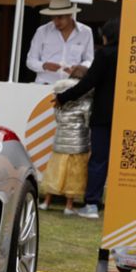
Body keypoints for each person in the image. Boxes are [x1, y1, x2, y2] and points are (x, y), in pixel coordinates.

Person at [52, 17, 120, 220]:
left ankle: (91, 203)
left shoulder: (105, 54)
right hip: (126, 114)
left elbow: (89, 82)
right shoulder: (131, 54)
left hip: (103, 115)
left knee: (99, 159)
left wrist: (63, 97)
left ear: (107, 36)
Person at [40, 76, 91, 215]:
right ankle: (68, 206)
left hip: (60, 144)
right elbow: (88, 123)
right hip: (78, 145)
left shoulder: (59, 103)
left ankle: (46, 202)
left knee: (55, 173)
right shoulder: (86, 103)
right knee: (74, 176)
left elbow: (57, 120)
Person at [25, 0, 93, 85]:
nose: (56, 21)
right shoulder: (42, 31)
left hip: (71, 85)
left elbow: (89, 60)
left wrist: (79, 69)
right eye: (53, 17)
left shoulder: (85, 32)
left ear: (70, 14)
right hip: (45, 84)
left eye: (60, 17)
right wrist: (44, 65)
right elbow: (30, 61)